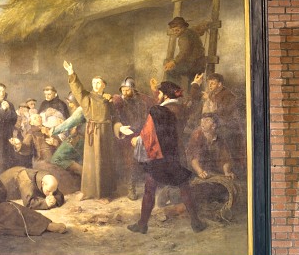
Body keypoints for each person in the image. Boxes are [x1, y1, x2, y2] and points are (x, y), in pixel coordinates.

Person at [127, 80, 206, 235]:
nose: (158, 95)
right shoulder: (181, 108)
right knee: (184, 188)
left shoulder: (159, 111)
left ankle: (142, 225)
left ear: (165, 95)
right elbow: (191, 101)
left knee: (150, 188)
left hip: (160, 156)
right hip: (176, 155)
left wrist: (138, 140)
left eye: (160, 93)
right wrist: (195, 85)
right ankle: (196, 223)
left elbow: (150, 134)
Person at [0, 154, 66, 235]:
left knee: (17, 208)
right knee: (10, 214)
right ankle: (46, 227)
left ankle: (47, 224)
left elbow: (3, 191)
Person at [63, 60, 117, 200]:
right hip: (93, 132)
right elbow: (77, 89)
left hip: (106, 133)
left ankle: (103, 194)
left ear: (104, 85)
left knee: (103, 162)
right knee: (91, 163)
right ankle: (88, 191)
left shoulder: (108, 99)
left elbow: (115, 116)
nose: (95, 85)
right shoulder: (87, 97)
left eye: (98, 83)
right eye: (93, 83)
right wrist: (71, 73)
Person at [113, 77, 150, 199]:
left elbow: (146, 119)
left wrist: (142, 135)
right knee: (130, 161)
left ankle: (149, 186)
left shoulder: (142, 102)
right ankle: (131, 187)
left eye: (127, 90)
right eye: (122, 90)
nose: (124, 92)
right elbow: (115, 118)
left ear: (133, 89)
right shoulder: (119, 102)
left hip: (140, 133)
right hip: (126, 135)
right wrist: (120, 128)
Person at [186, 113, 235, 180]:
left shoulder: (220, 141)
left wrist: (226, 172)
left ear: (214, 126)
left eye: (207, 120)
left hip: (213, 173)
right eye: (202, 120)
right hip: (197, 173)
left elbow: (226, 160)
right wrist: (200, 171)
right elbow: (194, 158)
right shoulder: (197, 136)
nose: (203, 122)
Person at [162, 17, 206, 85]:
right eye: (173, 31)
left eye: (177, 30)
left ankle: (174, 89)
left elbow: (184, 52)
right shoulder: (191, 32)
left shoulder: (184, 36)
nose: (175, 33)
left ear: (183, 28)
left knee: (171, 71)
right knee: (192, 83)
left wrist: (173, 62)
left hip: (193, 65)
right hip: (200, 65)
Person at [0, 166, 65, 210]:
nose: (51, 194)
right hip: (4, 186)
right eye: (49, 191)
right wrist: (45, 203)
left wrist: (55, 199)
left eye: (53, 192)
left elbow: (59, 194)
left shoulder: (48, 178)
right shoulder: (26, 180)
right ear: (43, 184)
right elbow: (28, 203)